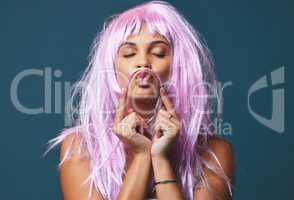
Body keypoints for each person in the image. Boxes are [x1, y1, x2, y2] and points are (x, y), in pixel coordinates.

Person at [44, 1, 235, 199]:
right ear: (112, 67)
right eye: (129, 53)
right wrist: (141, 156)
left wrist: (160, 159)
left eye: (158, 53)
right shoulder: (80, 146)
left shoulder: (214, 151)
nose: (143, 62)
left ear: (178, 66)